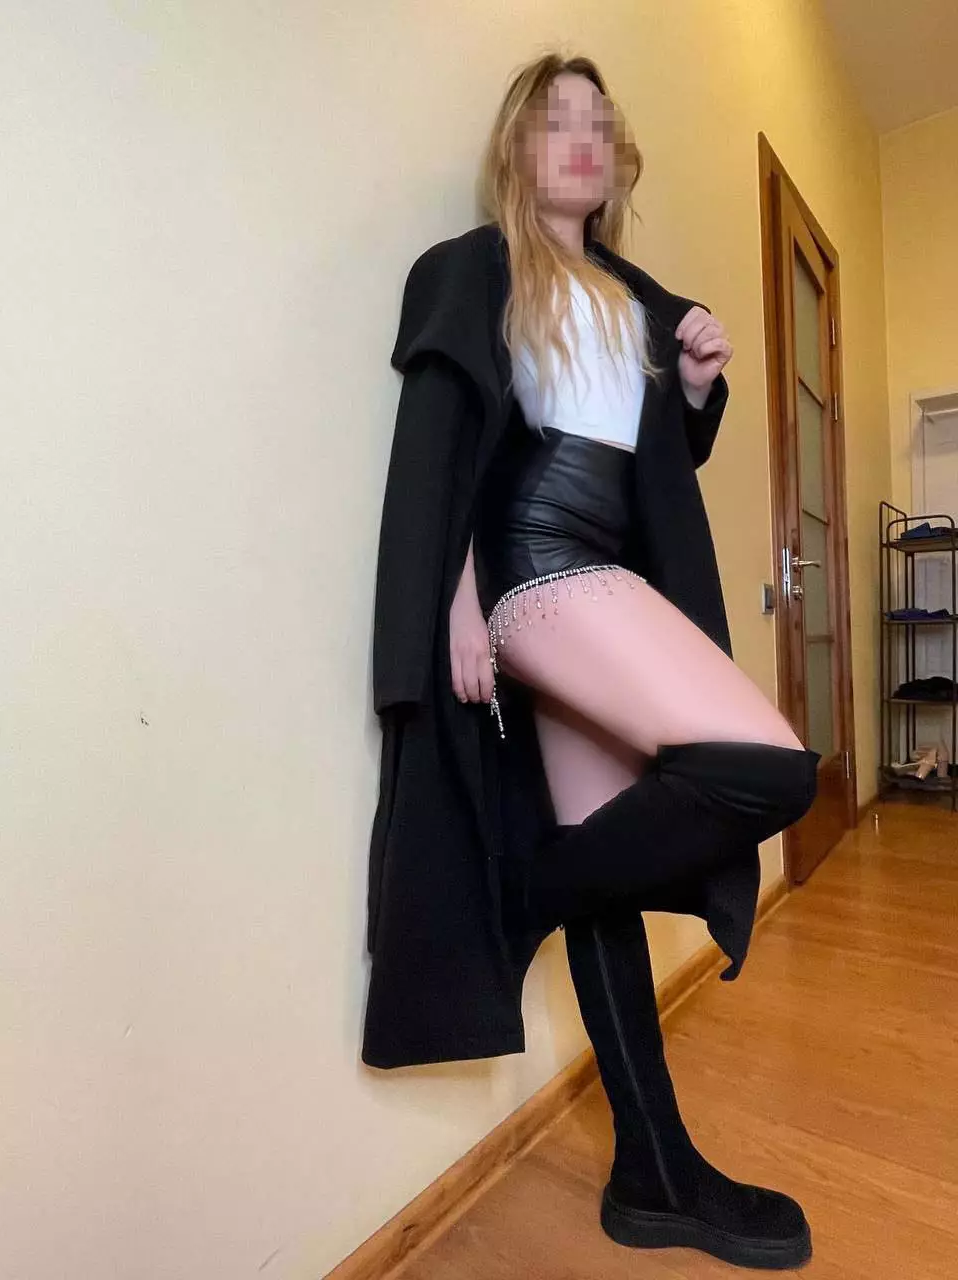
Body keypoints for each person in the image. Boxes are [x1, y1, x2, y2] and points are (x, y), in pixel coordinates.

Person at [363, 52, 819, 1270]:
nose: (580, 138)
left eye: (598, 124)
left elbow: (652, 468)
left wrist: (698, 387)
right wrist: (456, 595)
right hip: (534, 565)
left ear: (618, 158)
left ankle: (652, 1171)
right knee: (772, 769)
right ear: (517, 148)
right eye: (554, 120)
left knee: (607, 871)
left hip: (600, 567)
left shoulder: (636, 299)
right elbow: (447, 453)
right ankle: (528, 885)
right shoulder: (475, 270)